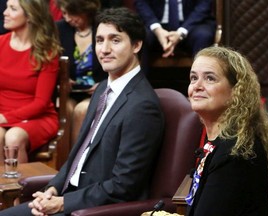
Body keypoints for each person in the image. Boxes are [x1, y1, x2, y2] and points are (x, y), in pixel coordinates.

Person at [0, 7, 164, 215]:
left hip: (95, 209)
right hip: (70, 197)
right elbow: (78, 154)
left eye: (115, 40)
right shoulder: (104, 88)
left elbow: (124, 186)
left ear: (136, 45)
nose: (104, 49)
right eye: (99, 40)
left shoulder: (142, 106)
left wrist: (62, 203)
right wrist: (52, 189)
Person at [185, 46, 268, 216]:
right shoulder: (223, 141)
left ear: (235, 91)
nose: (197, 86)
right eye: (193, 78)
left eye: (209, 78)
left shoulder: (234, 153)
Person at [0, 0, 62, 163]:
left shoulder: (46, 50)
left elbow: (41, 103)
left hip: (37, 117)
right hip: (3, 113)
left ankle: (21, 188)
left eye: (12, 9)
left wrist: (5, 118)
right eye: (6, 7)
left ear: (29, 16)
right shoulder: (0, 44)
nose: (5, 13)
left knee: (13, 137)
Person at [54, 0, 107, 145]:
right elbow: (51, 63)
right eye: (64, 13)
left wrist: (104, 84)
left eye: (71, 13)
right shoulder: (59, 28)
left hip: (97, 90)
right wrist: (62, 79)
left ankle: (79, 161)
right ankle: (64, 162)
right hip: (69, 91)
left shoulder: (104, 28)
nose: (67, 18)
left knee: (81, 111)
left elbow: (117, 62)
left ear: (84, 9)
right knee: (67, 109)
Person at [134, 0, 216, 61]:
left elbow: (204, 5)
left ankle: (200, 81)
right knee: (141, 35)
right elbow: (141, 3)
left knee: (203, 35)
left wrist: (181, 32)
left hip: (191, 23)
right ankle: (138, 83)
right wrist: (157, 29)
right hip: (155, 23)